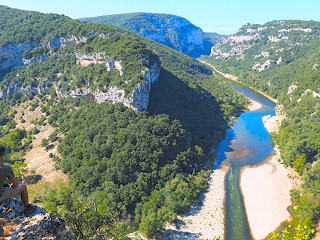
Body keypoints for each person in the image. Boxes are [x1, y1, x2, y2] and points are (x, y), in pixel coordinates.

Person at [0, 144, 36, 216]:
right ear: (2, 155)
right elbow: (15, 185)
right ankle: (27, 207)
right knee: (23, 186)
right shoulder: (6, 168)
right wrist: (11, 186)